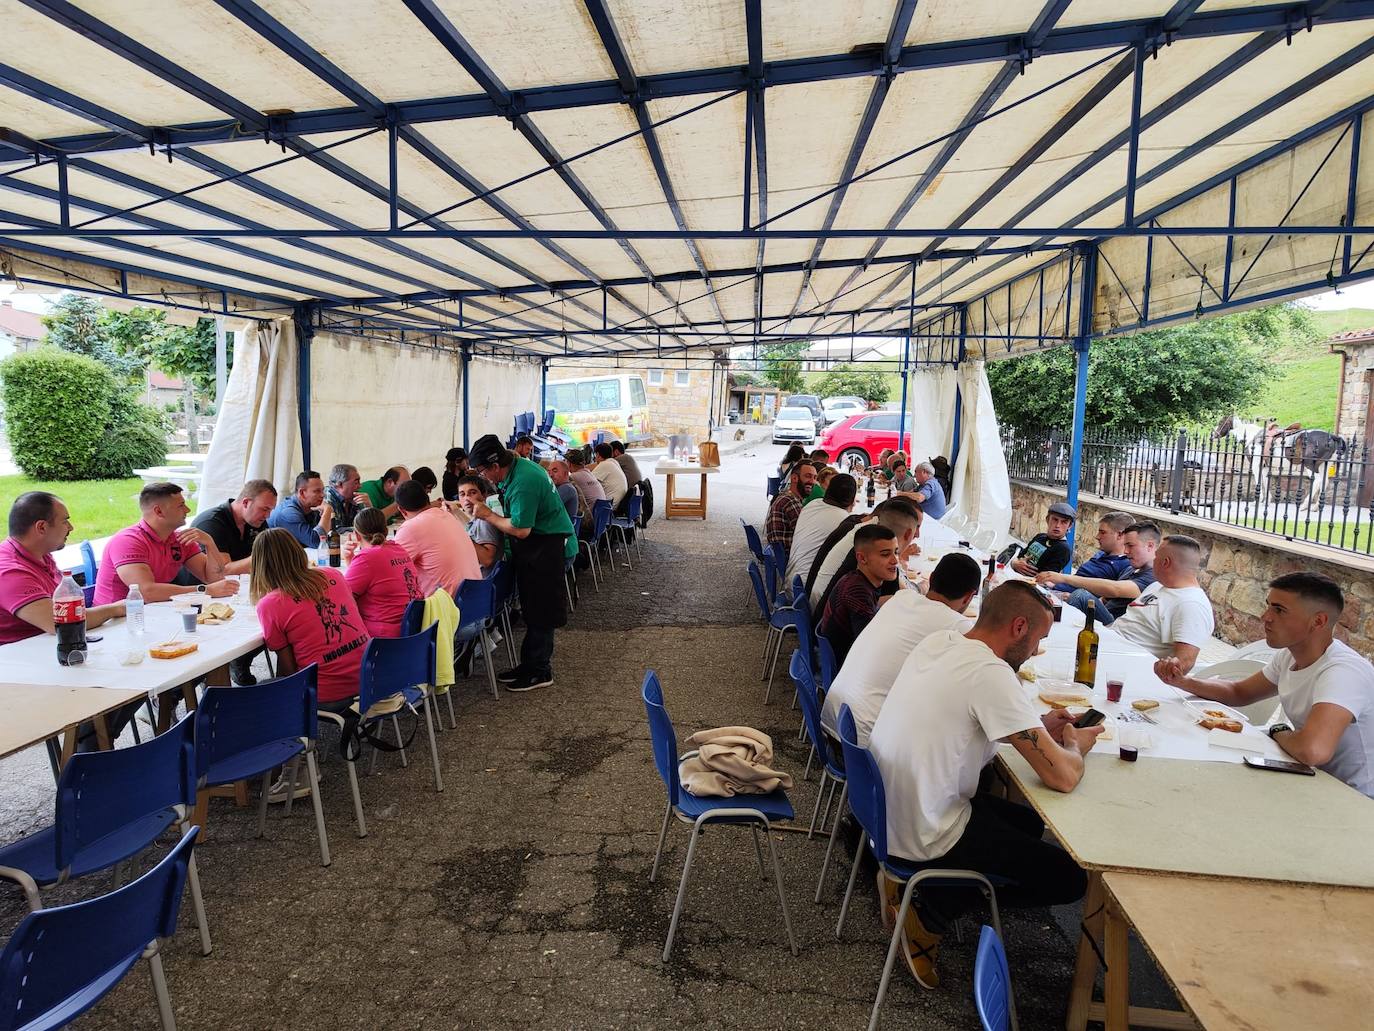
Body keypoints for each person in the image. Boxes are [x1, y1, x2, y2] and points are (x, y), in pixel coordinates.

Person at [869, 581, 1104, 988]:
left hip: (888, 810)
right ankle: (929, 913)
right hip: (928, 829)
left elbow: (965, 719)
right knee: (1070, 879)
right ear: (1018, 627)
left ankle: (916, 889)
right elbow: (1063, 777)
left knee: (1028, 825)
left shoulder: (941, 642)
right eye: (1038, 639)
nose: (1035, 651)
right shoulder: (992, 672)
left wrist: (1036, 728)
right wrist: (1074, 745)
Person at [1155, 571, 1374, 797]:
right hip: (1311, 780)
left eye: (1279, 610)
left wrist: (1277, 731)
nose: (1265, 617)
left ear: (1318, 621)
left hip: (1354, 798)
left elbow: (1312, 750)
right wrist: (1182, 681)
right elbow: (1238, 692)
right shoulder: (1289, 656)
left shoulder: (1344, 671)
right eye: (1268, 606)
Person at [252, 527, 370, 800]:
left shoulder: (271, 604)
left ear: (260, 565)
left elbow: (290, 671)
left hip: (329, 691)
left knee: (265, 690)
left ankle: (299, 766)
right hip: (368, 677)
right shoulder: (332, 576)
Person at [821, 552, 980, 744]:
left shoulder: (901, 598)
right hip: (865, 745)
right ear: (969, 596)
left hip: (834, 719)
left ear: (932, 578)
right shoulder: (959, 627)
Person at [468, 433, 576, 692]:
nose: (483, 477)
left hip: (546, 547)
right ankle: (529, 664)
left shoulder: (524, 480)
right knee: (531, 607)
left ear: (496, 466)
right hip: (536, 547)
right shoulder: (516, 468)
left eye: (483, 471)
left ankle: (540, 670)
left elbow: (521, 529)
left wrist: (487, 514)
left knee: (542, 611)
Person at [1, 492, 127, 644]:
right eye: (65, 521)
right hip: (17, 660)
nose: (71, 527)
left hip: (50, 648)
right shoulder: (9, 572)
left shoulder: (41, 553)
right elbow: (61, 621)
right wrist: (116, 609)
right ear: (41, 527)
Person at [94, 482, 236, 604]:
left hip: (153, 612)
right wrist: (204, 591)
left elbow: (215, 579)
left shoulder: (180, 539)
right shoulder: (127, 541)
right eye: (181, 505)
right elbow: (146, 592)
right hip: (114, 622)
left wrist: (210, 544)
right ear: (159, 511)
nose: (188, 510)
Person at [1110, 534, 1213, 670]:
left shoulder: (1191, 604)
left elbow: (1182, 664)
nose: (1153, 560)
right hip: (1108, 647)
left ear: (1165, 562)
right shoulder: (1157, 586)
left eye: (1156, 556)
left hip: (1124, 667)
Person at [1036, 518, 1158, 625]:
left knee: (1081, 595)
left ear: (1150, 546)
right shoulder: (1130, 568)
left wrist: (1064, 578)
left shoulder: (1153, 576)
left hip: (1115, 626)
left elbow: (1115, 589)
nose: (1125, 551)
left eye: (1130, 546)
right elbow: (1105, 598)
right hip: (1104, 616)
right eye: (1125, 546)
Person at [809, 497, 920, 612]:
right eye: (917, 528)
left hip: (820, 608)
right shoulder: (874, 555)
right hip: (826, 619)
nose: (918, 535)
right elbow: (904, 600)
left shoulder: (867, 539)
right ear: (908, 533)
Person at [817, 524, 899, 670]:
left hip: (841, 658)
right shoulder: (857, 591)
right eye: (885, 554)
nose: (895, 561)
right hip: (843, 669)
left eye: (896, 552)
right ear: (862, 558)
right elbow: (869, 648)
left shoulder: (856, 579)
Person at [343, 507, 423, 638]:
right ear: (386, 530)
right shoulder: (398, 548)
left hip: (384, 638)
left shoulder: (366, 558)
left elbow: (344, 596)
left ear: (357, 535)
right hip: (413, 631)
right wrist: (350, 560)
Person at [393, 479, 481, 597]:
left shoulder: (410, 528)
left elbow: (391, 570)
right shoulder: (447, 515)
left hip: (448, 609)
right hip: (477, 598)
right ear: (427, 498)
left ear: (401, 510)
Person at [191, 479, 277, 575]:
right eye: (264, 509)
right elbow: (223, 570)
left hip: (238, 585)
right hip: (201, 587)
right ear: (246, 503)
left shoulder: (256, 521)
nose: (267, 516)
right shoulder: (211, 523)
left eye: (270, 510)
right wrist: (262, 558)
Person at [785, 473, 856, 587]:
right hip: (807, 592)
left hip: (792, 582)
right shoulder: (844, 521)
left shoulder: (813, 504)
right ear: (852, 500)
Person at [267, 470, 334, 548]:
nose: (322, 495)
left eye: (322, 490)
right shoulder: (288, 513)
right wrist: (327, 511)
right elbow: (317, 542)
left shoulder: (312, 506)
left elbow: (330, 534)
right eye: (317, 491)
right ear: (302, 493)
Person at [1010, 501, 1074, 576]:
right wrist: (1015, 564)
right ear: (1047, 520)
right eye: (1055, 519)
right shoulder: (1040, 537)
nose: (1057, 525)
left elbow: (1046, 578)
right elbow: (1019, 556)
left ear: (1069, 526)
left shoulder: (1063, 549)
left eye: (1064, 522)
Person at [765, 460, 817, 551]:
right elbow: (807, 535)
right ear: (794, 478)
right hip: (788, 556)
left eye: (815, 477)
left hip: (781, 553)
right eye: (808, 476)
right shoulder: (790, 501)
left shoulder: (787, 495)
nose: (812, 481)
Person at [455, 474, 503, 569]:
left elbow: (487, 560)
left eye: (472, 493)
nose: (467, 498)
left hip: (485, 580)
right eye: (462, 494)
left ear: (484, 495)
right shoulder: (476, 519)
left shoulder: (484, 521)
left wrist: (460, 536)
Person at [567, 448, 608, 537]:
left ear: (569, 464)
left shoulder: (574, 476)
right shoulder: (589, 473)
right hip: (600, 522)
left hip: (588, 525)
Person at [324, 464, 365, 528]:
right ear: (340, 484)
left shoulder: (351, 497)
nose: (360, 486)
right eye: (356, 482)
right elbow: (335, 530)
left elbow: (368, 526)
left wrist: (368, 506)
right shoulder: (327, 497)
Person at [591, 442, 628, 509]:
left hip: (609, 506)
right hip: (617, 502)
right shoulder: (613, 462)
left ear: (598, 455)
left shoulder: (604, 464)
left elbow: (588, 481)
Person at [548, 459, 580, 524]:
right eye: (548, 472)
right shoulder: (560, 487)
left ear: (565, 473)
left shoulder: (567, 488)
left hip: (561, 531)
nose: (550, 475)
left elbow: (547, 507)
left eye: (555, 471)